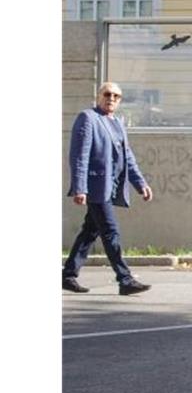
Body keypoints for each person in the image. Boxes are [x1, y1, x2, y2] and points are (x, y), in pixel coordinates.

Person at [63, 81, 154, 295]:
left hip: (109, 187)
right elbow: (79, 156)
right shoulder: (88, 118)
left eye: (116, 96)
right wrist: (80, 188)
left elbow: (127, 157)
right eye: (107, 94)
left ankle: (67, 275)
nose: (111, 98)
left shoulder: (118, 123)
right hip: (95, 187)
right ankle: (125, 279)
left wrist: (140, 184)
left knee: (90, 231)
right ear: (99, 96)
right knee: (110, 231)